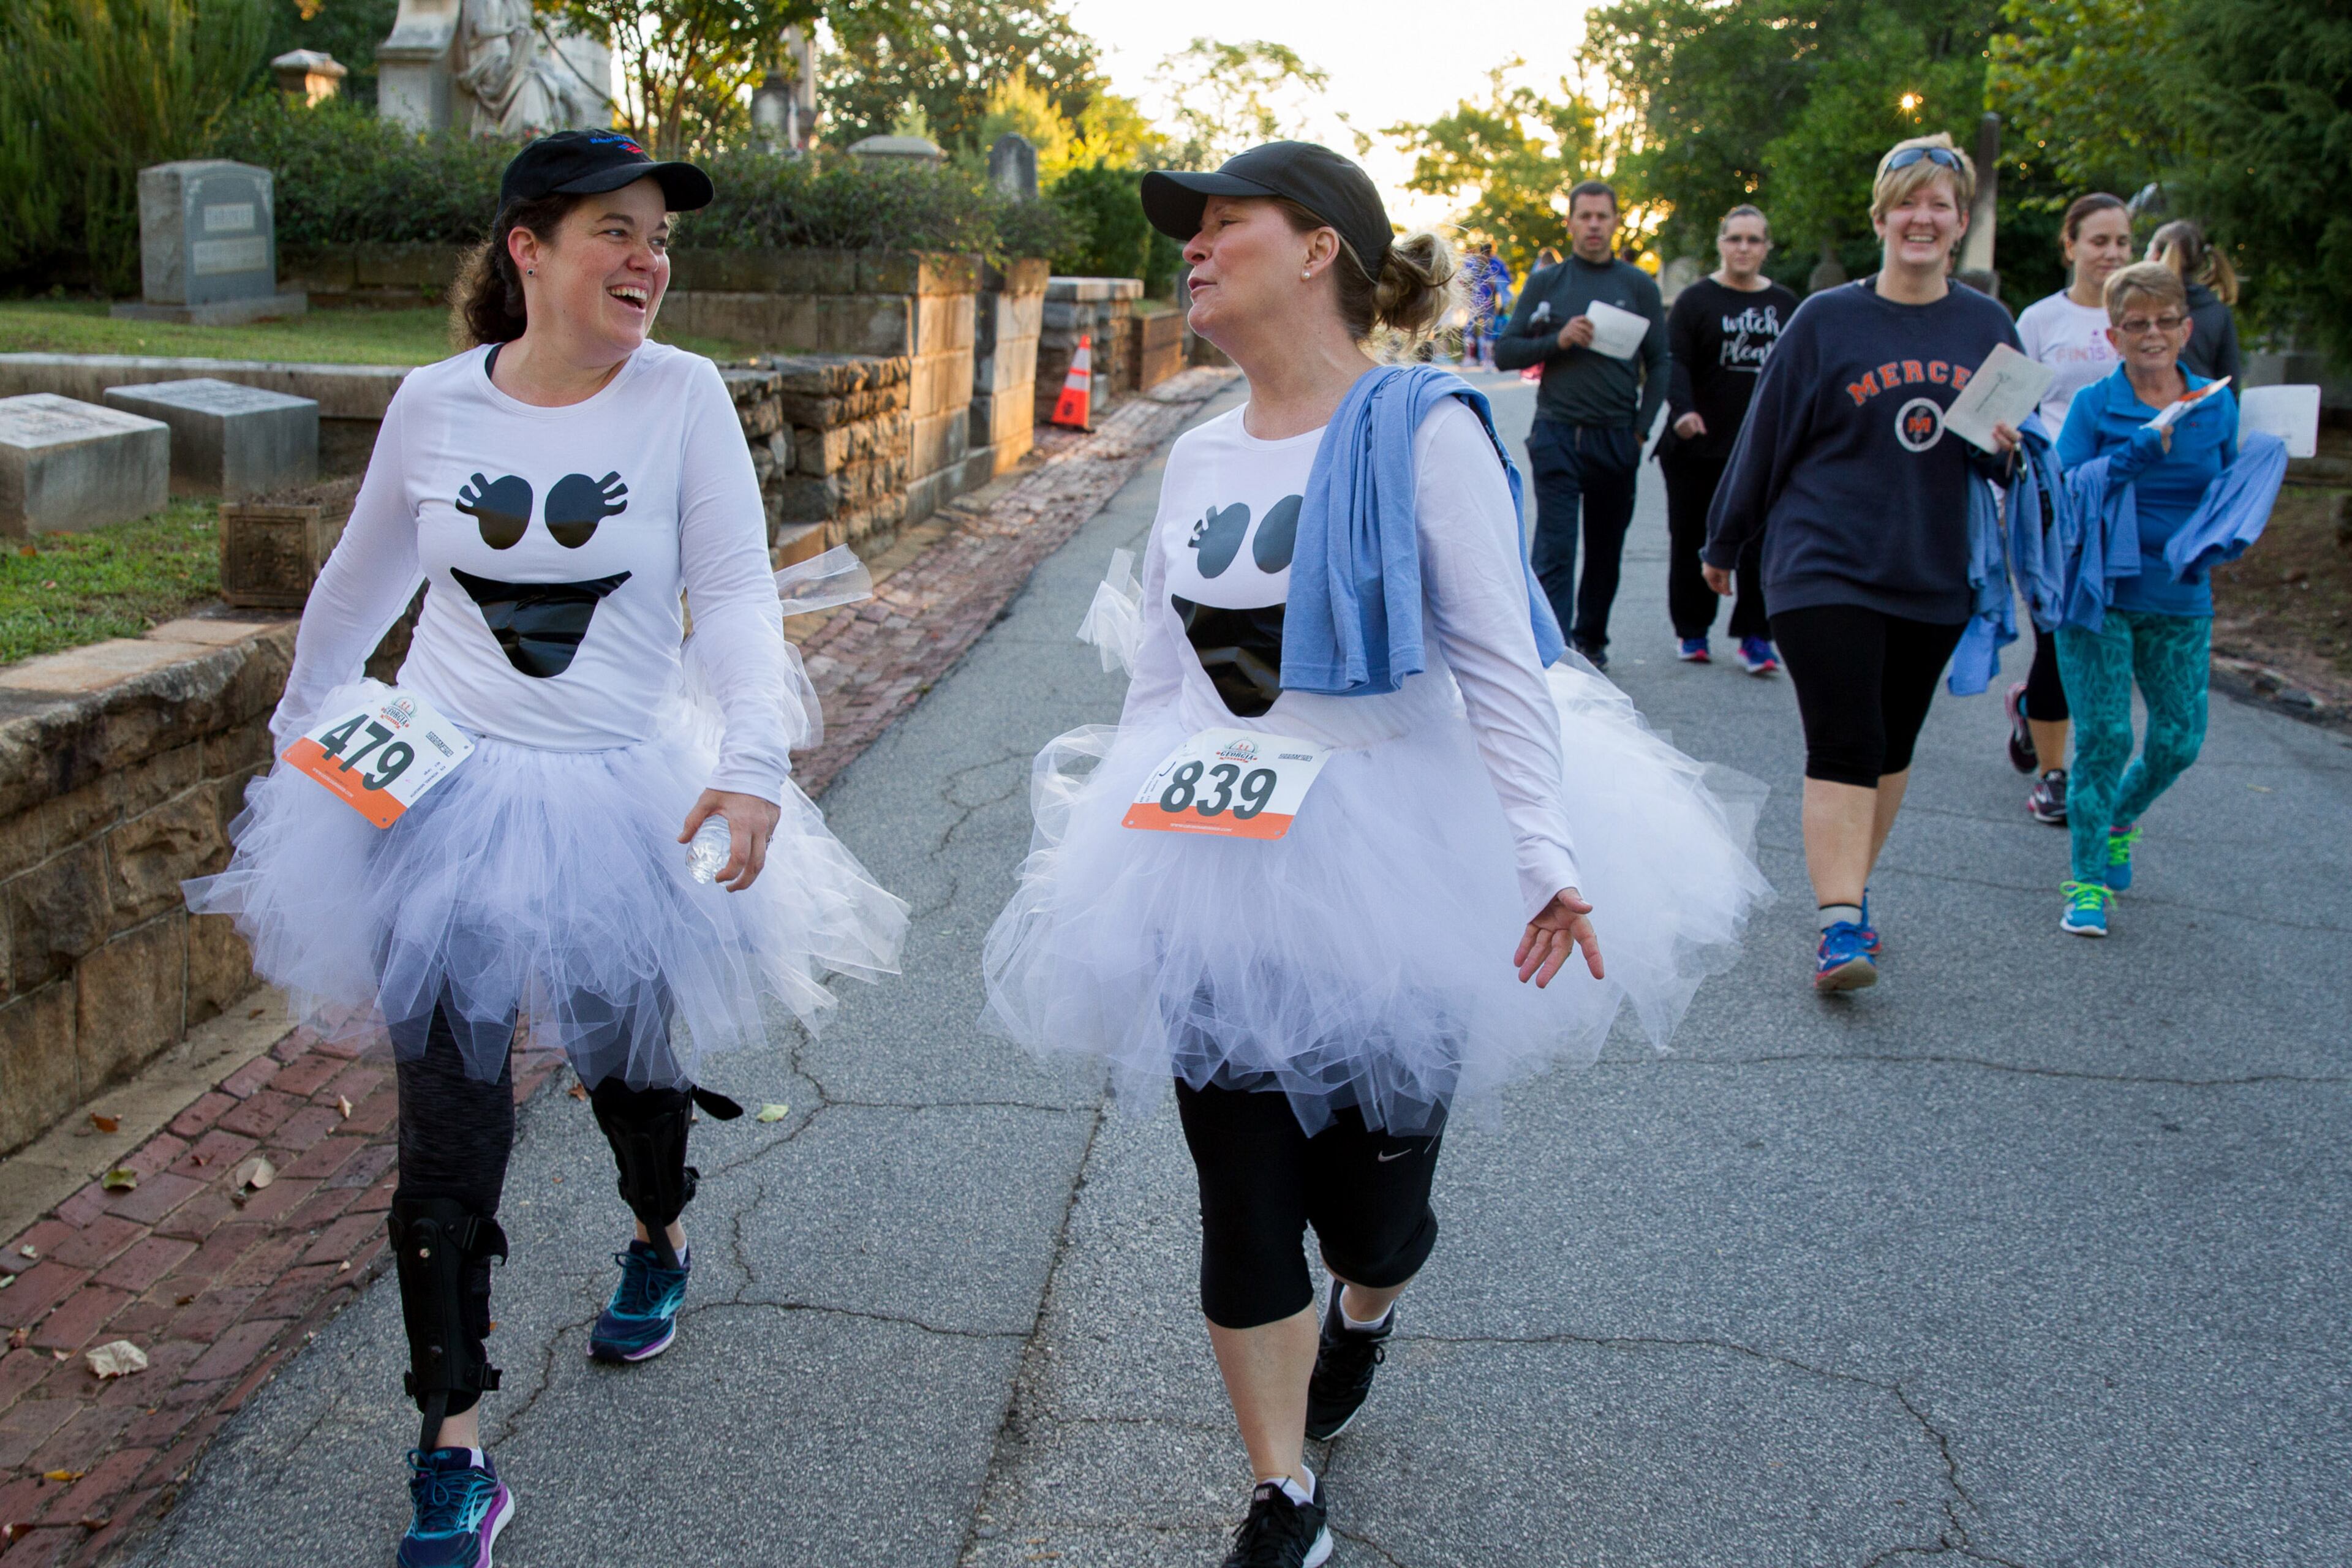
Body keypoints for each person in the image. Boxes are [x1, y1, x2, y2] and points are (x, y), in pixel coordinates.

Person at [984, 140, 1769, 1568]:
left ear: (1319, 251)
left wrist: (1540, 843)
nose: (1195, 248)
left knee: (1369, 1214)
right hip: (1215, 861)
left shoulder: (1423, 430)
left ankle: (1371, 1303)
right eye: (1194, 228)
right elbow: (1163, 683)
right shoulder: (1199, 452)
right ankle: (1281, 1489)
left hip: (1389, 852)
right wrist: (1113, 835)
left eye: (1229, 223)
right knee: (1240, 1207)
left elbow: (1497, 657)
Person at [183, 131, 908, 1566]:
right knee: (445, 1127)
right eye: (617, 233)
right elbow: (354, 594)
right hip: (438, 794)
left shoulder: (682, 397)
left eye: (660, 240)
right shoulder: (437, 403)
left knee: (627, 1056)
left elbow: (739, 598)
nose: (648, 261)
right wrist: (297, 740)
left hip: (622, 788)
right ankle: (450, 1442)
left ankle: (659, 1225)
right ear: (529, 248)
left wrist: (755, 765)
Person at [1703, 131, 2020, 992]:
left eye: (1940, 206)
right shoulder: (1827, 320)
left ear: (1958, 224)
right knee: (1844, 737)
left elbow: (1999, 463)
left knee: (1891, 743)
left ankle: (1853, 895)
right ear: (1883, 216)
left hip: (1932, 567)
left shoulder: (1988, 326)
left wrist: (2006, 452)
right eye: (1908, 202)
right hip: (1823, 562)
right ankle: (1839, 924)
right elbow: (1767, 435)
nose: (1923, 217)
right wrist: (1726, 540)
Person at [2049, 261, 2248, 937]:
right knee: (2105, 736)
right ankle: (2085, 883)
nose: (2153, 334)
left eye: (2166, 322)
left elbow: (2222, 490)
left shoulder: (2215, 404)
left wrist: (2238, 521)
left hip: (2180, 593)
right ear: (2114, 336)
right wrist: (2135, 452)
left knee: (2179, 740)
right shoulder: (2094, 406)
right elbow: (2067, 492)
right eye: (2137, 324)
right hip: (2098, 595)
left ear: (2187, 328)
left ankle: (2119, 818)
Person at [1494, 181, 1669, 668]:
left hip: (1617, 436)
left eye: (1602, 217)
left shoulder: (1639, 286)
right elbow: (1505, 352)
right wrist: (1559, 340)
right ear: (1570, 223)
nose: (1594, 225)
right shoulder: (1548, 284)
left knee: (1605, 551)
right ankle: (1553, 654)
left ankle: (1591, 643)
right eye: (1585, 216)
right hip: (1557, 432)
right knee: (1554, 549)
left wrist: (1641, 429)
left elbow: (1661, 364)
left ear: (1615, 223)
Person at [2005, 192, 2136, 824]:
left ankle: (2032, 710)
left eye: (2122, 242)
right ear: (2070, 246)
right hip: (2055, 500)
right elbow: (2008, 407)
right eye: (2099, 241)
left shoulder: (2143, 319)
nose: (2111, 254)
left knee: (2104, 637)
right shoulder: (2039, 321)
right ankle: (2056, 774)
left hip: (2126, 506)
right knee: (2057, 633)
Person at [1657, 203, 1799, 674]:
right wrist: (1683, 410)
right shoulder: (1696, 302)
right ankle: (1692, 631)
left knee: (1762, 542)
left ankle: (1756, 637)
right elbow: (1673, 361)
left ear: (1766, 247)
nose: (1743, 248)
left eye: (1753, 240)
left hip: (1764, 450)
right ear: (1721, 244)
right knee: (1691, 539)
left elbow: (1802, 375)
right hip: (1696, 446)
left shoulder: (1786, 305)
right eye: (1735, 238)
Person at [2147, 220, 2243, 384]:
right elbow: (2230, 379)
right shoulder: (2217, 311)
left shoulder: (2144, 309)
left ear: (2156, 256)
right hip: (2204, 403)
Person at [1464, 239, 1512, 370]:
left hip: (1485, 301)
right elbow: (1464, 279)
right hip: (1478, 301)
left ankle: (1485, 359)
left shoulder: (1492, 263)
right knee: (1473, 328)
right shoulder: (1479, 263)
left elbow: (1506, 280)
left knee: (1486, 329)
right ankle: (1473, 358)